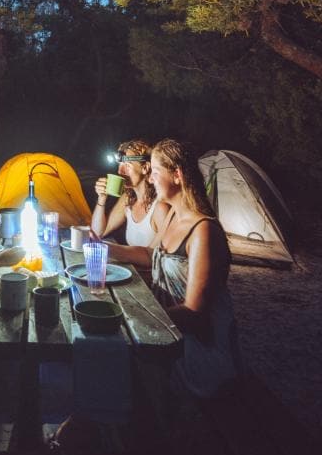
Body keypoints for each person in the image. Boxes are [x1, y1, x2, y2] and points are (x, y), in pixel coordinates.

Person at [147, 138, 242, 398]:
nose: (150, 179)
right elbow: (150, 255)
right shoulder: (172, 215)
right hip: (168, 333)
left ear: (177, 175)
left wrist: (139, 320)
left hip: (198, 349)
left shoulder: (203, 230)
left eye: (155, 172)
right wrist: (104, 248)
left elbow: (194, 313)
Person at [91, 140, 169, 250]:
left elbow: (165, 254)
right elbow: (98, 233)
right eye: (120, 165)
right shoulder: (128, 199)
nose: (120, 171)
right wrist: (102, 198)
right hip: (129, 261)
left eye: (127, 165)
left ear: (145, 168)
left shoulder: (160, 207)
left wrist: (115, 250)